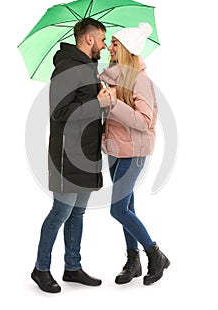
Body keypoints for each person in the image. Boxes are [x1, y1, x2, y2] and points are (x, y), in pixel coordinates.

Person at [31, 18, 109, 293]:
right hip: (67, 154)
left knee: (78, 213)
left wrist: (102, 100)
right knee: (61, 212)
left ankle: (72, 267)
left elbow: (84, 108)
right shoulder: (67, 67)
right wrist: (95, 102)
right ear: (89, 39)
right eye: (101, 39)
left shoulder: (89, 68)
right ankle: (40, 269)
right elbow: (60, 112)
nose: (104, 45)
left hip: (87, 153)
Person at [98, 23, 170, 286]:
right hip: (115, 149)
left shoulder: (141, 80)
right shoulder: (112, 78)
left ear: (127, 49)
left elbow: (143, 121)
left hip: (134, 152)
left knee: (117, 209)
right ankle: (133, 261)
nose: (110, 47)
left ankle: (155, 254)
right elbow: (111, 116)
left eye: (115, 44)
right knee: (128, 206)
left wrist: (113, 103)